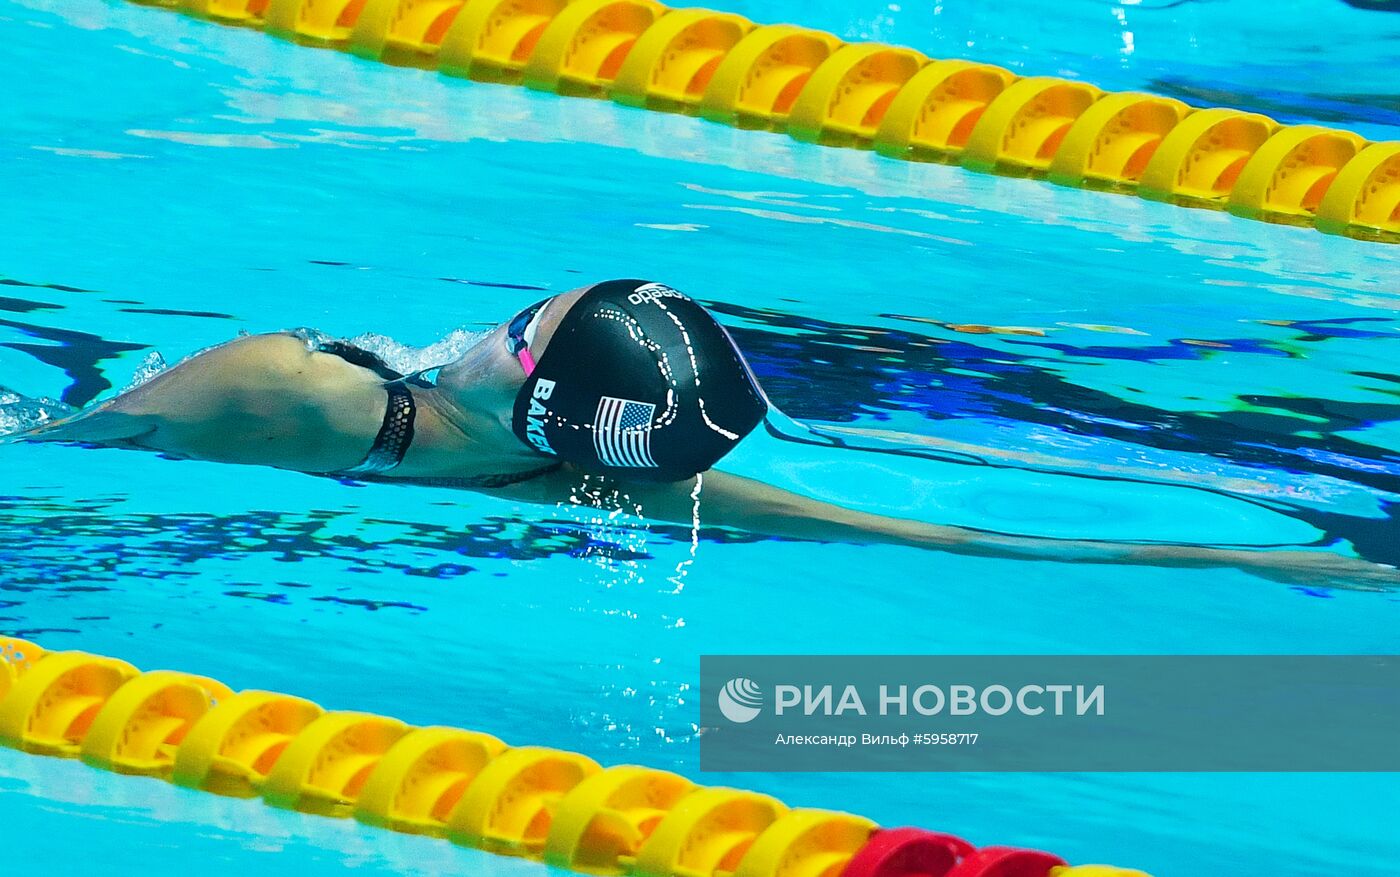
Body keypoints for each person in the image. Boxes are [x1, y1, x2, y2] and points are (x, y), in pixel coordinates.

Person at [11, 279, 1397, 590]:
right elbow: (60, 449)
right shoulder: (287, 390)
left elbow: (928, 529)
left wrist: (1240, 561)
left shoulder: (584, 462)